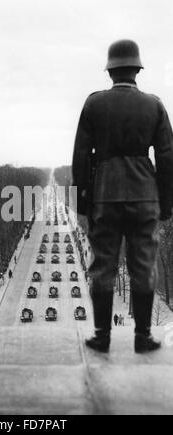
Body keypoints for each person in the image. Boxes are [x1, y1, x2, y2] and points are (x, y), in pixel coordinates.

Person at [73, 40, 173, 353]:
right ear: (137, 69)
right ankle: (142, 337)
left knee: (103, 266)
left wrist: (83, 200)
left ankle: (102, 336)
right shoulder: (154, 104)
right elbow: (167, 157)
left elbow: (80, 156)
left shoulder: (94, 104)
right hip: (145, 194)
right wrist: (166, 203)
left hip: (105, 192)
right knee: (143, 266)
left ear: (111, 70)